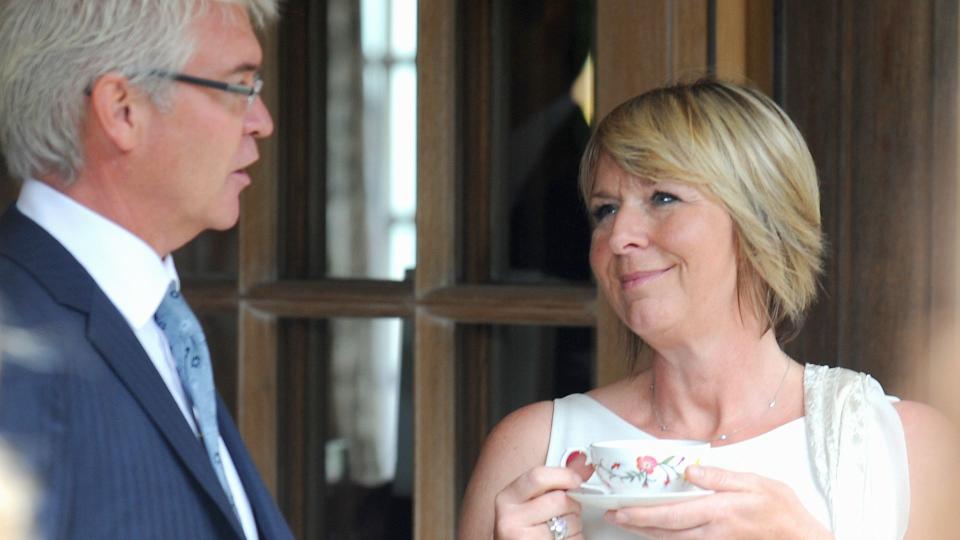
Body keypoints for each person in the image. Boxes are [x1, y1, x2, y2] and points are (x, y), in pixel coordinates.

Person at [458, 79, 959, 539]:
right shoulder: (532, 448)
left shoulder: (906, 448)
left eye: (663, 197)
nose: (618, 237)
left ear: (763, 222)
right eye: (605, 209)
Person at [0, 1, 293, 539]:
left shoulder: (158, 322)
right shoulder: (14, 342)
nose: (262, 121)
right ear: (122, 109)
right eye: (239, 86)